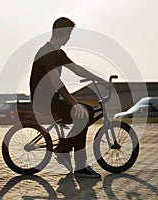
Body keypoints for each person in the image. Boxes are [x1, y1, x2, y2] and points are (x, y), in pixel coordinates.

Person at [30, 17, 104, 178]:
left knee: (87, 111)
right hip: (44, 102)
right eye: (69, 33)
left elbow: (77, 69)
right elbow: (56, 82)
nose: (70, 37)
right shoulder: (47, 53)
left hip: (53, 100)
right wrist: (74, 103)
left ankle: (64, 148)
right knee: (82, 113)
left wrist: (98, 79)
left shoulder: (58, 53)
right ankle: (79, 165)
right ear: (63, 34)